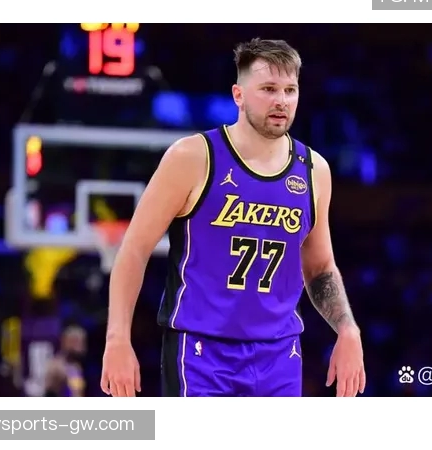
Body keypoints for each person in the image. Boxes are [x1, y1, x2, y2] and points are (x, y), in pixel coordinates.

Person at [101, 38, 366, 397]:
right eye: (269, 89)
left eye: (290, 90)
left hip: (279, 354)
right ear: (238, 95)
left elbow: (319, 268)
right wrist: (117, 339)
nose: (281, 100)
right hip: (200, 352)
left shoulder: (314, 170)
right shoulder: (192, 157)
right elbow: (134, 249)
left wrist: (347, 329)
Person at [44, 325, 87, 397]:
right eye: (74, 341)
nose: (78, 346)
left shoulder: (76, 365)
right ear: (64, 341)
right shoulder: (56, 365)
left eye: (81, 342)